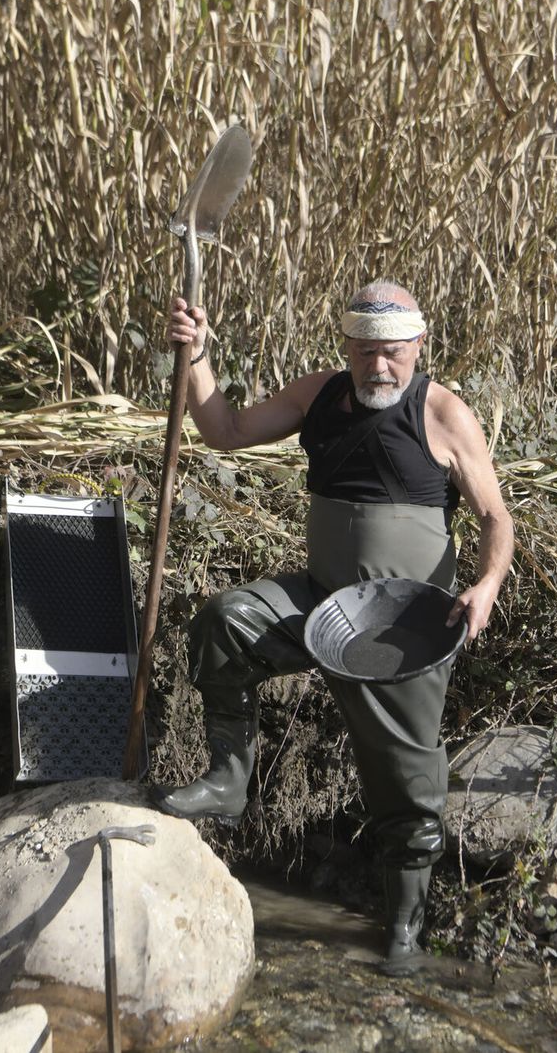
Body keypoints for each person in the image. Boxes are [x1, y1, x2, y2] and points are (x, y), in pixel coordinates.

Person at [152, 280, 514, 976]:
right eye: (367, 351)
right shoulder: (318, 395)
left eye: (394, 353)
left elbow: (497, 516)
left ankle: (403, 931)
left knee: (407, 784)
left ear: (418, 346)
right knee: (229, 622)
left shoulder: (441, 412)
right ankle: (230, 777)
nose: (380, 366)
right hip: (322, 604)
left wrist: (486, 583)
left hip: (403, 630)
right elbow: (224, 430)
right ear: (345, 345)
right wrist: (194, 355)